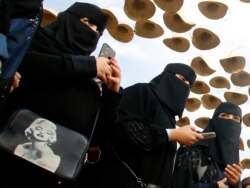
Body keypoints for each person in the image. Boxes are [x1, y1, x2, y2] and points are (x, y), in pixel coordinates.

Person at [0, 2, 122, 188]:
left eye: (99, 31)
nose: (93, 32)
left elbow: (97, 137)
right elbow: (26, 66)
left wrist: (111, 94)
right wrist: (85, 66)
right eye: (88, 23)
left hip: (54, 173)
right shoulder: (36, 39)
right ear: (68, 19)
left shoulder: (93, 78)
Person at [86, 63, 204, 188]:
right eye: (182, 79)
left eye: (189, 85)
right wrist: (171, 134)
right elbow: (123, 130)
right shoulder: (142, 92)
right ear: (166, 76)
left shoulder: (169, 118)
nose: (185, 86)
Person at [171, 102, 243, 188]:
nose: (230, 120)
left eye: (236, 118)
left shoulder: (234, 163)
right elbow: (181, 184)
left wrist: (236, 184)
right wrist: (214, 186)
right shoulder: (196, 148)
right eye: (224, 115)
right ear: (213, 121)